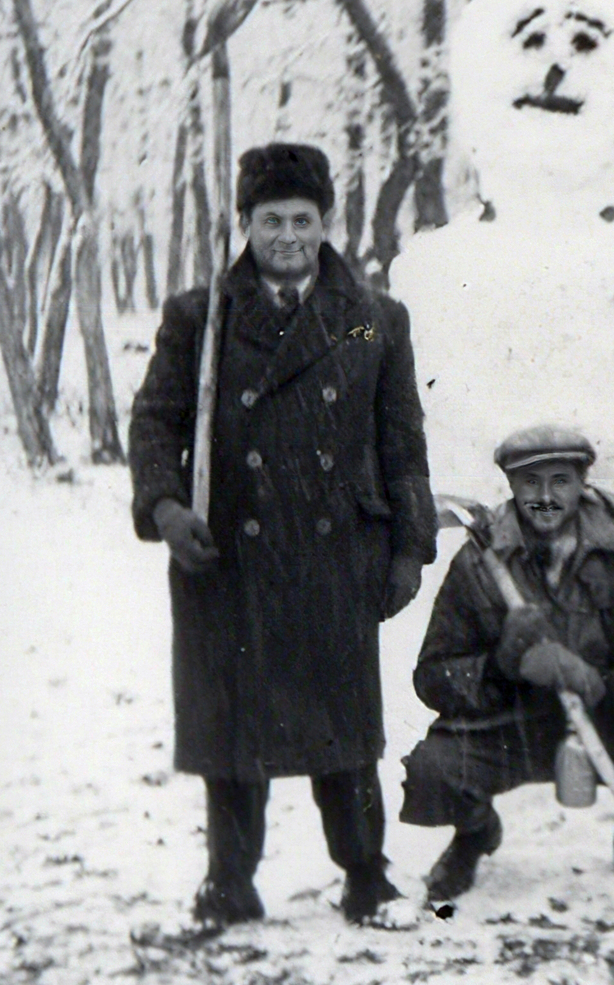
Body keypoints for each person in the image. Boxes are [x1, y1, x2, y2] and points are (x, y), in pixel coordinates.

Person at [129, 143, 436, 929]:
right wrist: (167, 510)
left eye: (303, 219)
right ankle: (228, 882)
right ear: (245, 224)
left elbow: (401, 437)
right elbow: (155, 423)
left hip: (335, 555)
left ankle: (367, 876)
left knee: (345, 732)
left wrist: (408, 547)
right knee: (231, 733)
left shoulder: (372, 321)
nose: (289, 236)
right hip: (225, 552)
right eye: (272, 220)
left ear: (326, 223)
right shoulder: (200, 319)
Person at [399, 425, 614, 910]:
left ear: (583, 481)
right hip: (510, 724)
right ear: (511, 484)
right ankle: (475, 834)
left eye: (560, 481)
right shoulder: (480, 564)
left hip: (607, 719)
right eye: (530, 482)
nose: (545, 497)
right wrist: (503, 666)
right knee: (432, 771)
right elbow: (433, 674)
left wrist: (603, 685)